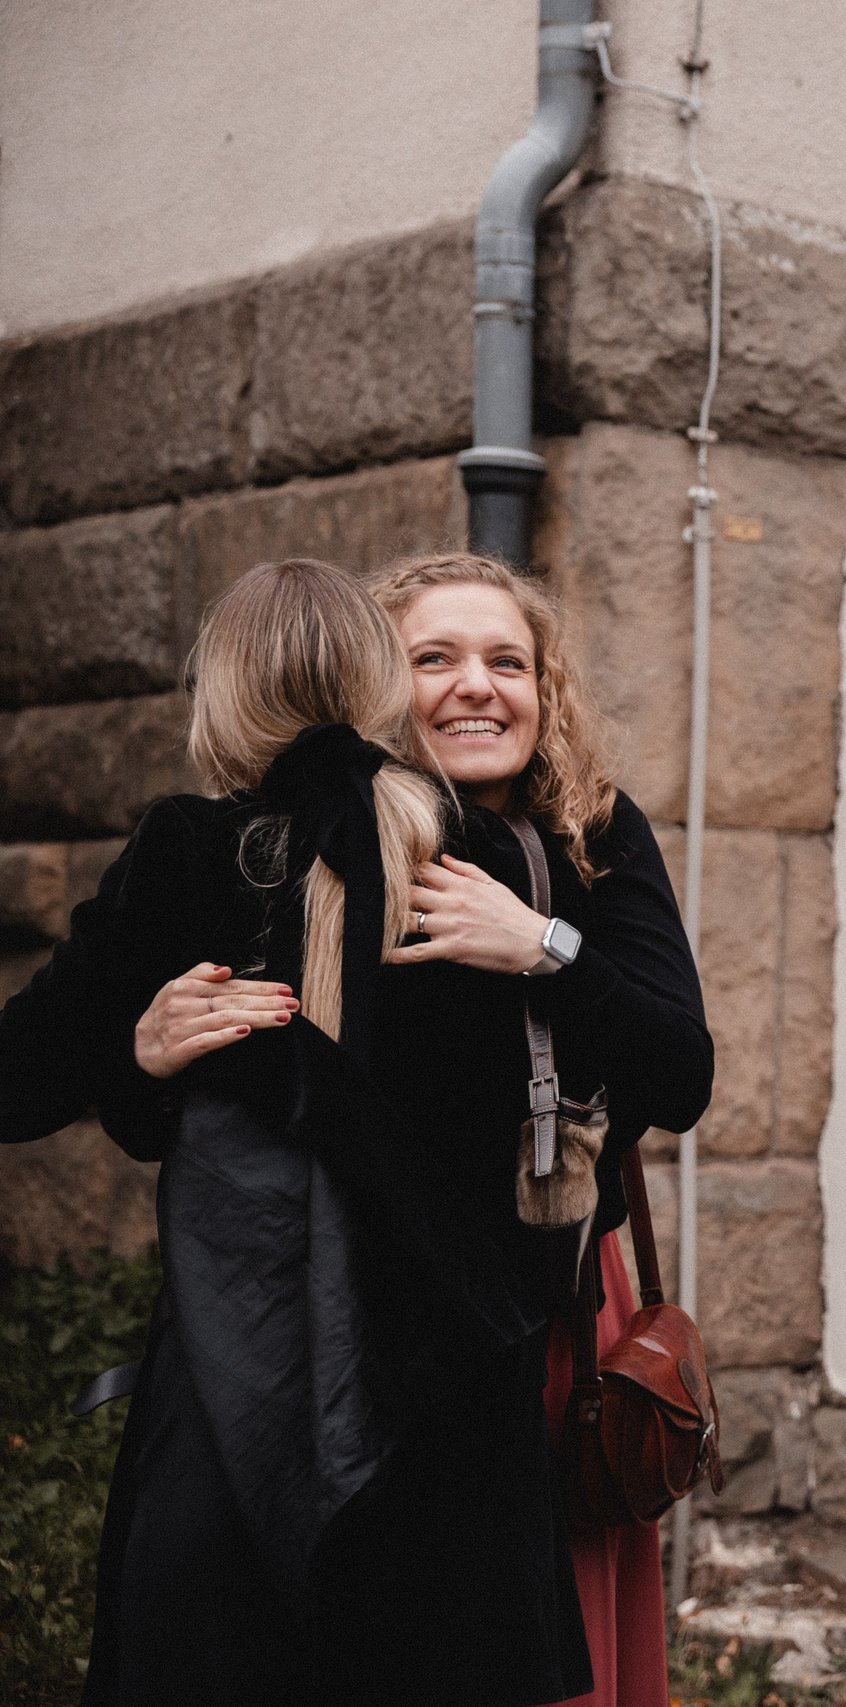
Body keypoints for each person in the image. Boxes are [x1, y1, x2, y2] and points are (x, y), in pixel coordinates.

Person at [0, 559, 592, 1704]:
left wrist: (135, 1053)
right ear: (378, 686)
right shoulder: (486, 861)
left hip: (243, 1386)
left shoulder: (182, 856)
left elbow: (18, 1082)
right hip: (456, 1399)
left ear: (223, 694)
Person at [371, 550, 716, 1707]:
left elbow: (682, 1071)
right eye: (435, 658)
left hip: (563, 1306)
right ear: (377, 684)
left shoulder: (595, 836)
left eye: (507, 661)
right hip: (372, 1316)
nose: (478, 685)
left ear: (543, 689)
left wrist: (542, 947)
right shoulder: (329, 847)